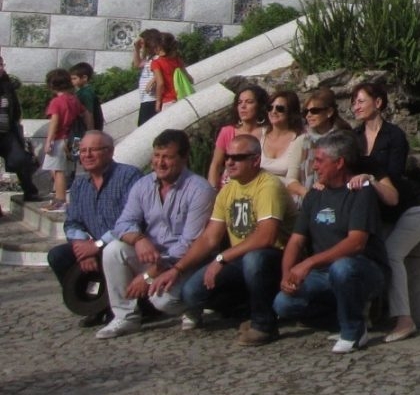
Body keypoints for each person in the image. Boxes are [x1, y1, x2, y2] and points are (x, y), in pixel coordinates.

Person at [273, 131, 389, 353]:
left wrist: (308, 264)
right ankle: (345, 317)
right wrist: (287, 274)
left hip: (362, 269)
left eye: (319, 161)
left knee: (342, 267)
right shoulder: (314, 196)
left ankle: (353, 332)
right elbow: (296, 240)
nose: (314, 167)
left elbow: (356, 243)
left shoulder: (360, 193)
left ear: (339, 163)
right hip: (323, 273)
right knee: (283, 303)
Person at [172, 133, 291, 344]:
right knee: (191, 293)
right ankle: (247, 310)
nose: (229, 162)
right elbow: (210, 237)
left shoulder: (268, 186)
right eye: (227, 156)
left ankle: (264, 324)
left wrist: (222, 258)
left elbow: (267, 235)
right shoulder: (228, 190)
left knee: (255, 260)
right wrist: (177, 269)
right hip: (240, 259)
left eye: (237, 157)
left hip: (276, 258)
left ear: (255, 160)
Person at [96, 130, 215, 337]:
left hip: (186, 262)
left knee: (163, 300)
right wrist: (139, 239)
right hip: (154, 254)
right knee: (113, 249)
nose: (160, 163)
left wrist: (149, 275)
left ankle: (192, 307)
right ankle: (124, 317)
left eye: (167, 157)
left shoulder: (199, 189)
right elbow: (122, 224)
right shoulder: (143, 185)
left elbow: (191, 242)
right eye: (157, 156)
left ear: (183, 158)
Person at [349, 81, 420, 344]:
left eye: (361, 101)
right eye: (353, 102)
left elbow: (394, 176)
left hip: (412, 207)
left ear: (378, 103)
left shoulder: (394, 136)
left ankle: (404, 319)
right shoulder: (354, 138)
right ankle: (361, 318)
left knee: (392, 253)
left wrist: (370, 178)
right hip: (381, 210)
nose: (356, 106)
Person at [46, 132, 142, 327]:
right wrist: (82, 247)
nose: (87, 155)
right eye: (82, 151)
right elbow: (72, 221)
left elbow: (131, 220)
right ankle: (95, 305)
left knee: (113, 252)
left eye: (93, 150)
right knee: (59, 255)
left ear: (110, 152)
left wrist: (97, 245)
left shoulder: (128, 176)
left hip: (124, 245)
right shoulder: (80, 184)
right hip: (95, 247)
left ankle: (125, 306)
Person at [41, 67, 90, 211]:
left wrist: (49, 141)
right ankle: (63, 198)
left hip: (61, 139)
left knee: (58, 170)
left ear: (52, 85)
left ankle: (60, 200)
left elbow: (55, 121)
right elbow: (86, 113)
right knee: (68, 169)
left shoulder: (57, 102)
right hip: (74, 139)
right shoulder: (73, 100)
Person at [207, 84, 268, 190]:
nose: (243, 106)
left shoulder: (268, 132)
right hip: (228, 187)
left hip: (260, 187)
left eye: (249, 102)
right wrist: (211, 191)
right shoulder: (227, 132)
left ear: (259, 105)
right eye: (240, 102)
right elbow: (215, 165)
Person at [0, 54, 40, 204]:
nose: (1, 68)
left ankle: (30, 191)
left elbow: (15, 108)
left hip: (7, 133)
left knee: (20, 160)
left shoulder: (7, 85)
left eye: (1, 65)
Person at [261, 90, 307, 202]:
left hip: (287, 198)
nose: (273, 111)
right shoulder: (260, 135)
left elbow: (294, 180)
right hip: (259, 194)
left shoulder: (300, 139)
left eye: (280, 108)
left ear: (290, 112)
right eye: (270, 107)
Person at [133, 28, 163, 125]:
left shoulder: (158, 57)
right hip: (145, 98)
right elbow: (137, 65)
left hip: (152, 98)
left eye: (142, 43)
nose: (141, 46)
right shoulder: (149, 58)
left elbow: (163, 70)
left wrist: (154, 80)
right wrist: (136, 49)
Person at [149, 33, 185, 112]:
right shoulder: (178, 60)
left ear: (159, 48)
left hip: (168, 100)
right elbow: (189, 79)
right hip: (183, 97)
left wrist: (158, 102)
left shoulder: (156, 63)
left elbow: (160, 83)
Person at [70, 63, 103, 132]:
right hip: (81, 128)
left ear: (84, 78)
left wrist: (90, 132)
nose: (71, 81)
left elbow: (89, 114)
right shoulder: (84, 91)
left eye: (74, 78)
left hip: (85, 130)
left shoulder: (86, 94)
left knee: (77, 142)